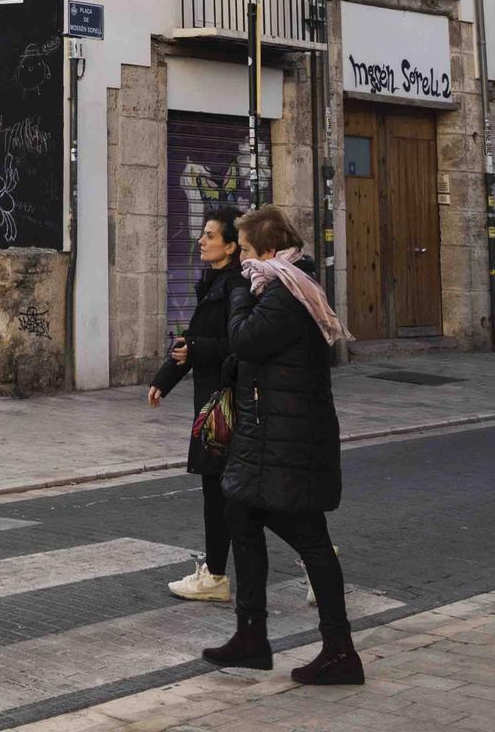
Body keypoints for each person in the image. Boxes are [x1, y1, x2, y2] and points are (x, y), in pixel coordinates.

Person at [202, 203, 361, 686]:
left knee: (309, 538)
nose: (241, 262)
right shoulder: (282, 285)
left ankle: (339, 651)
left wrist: (237, 294)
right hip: (274, 437)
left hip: (288, 442)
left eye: (246, 252)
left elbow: (245, 340)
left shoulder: (284, 292)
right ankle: (252, 636)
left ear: (269, 251)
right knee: (241, 514)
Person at [147, 210, 242, 603]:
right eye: (202, 234)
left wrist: (194, 352)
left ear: (231, 246)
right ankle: (217, 574)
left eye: (209, 235)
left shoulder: (236, 287)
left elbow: (238, 343)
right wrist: (164, 379)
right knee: (226, 493)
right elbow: (194, 340)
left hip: (226, 406)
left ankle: (218, 576)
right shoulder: (213, 282)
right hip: (215, 403)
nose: (201, 241)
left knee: (230, 494)